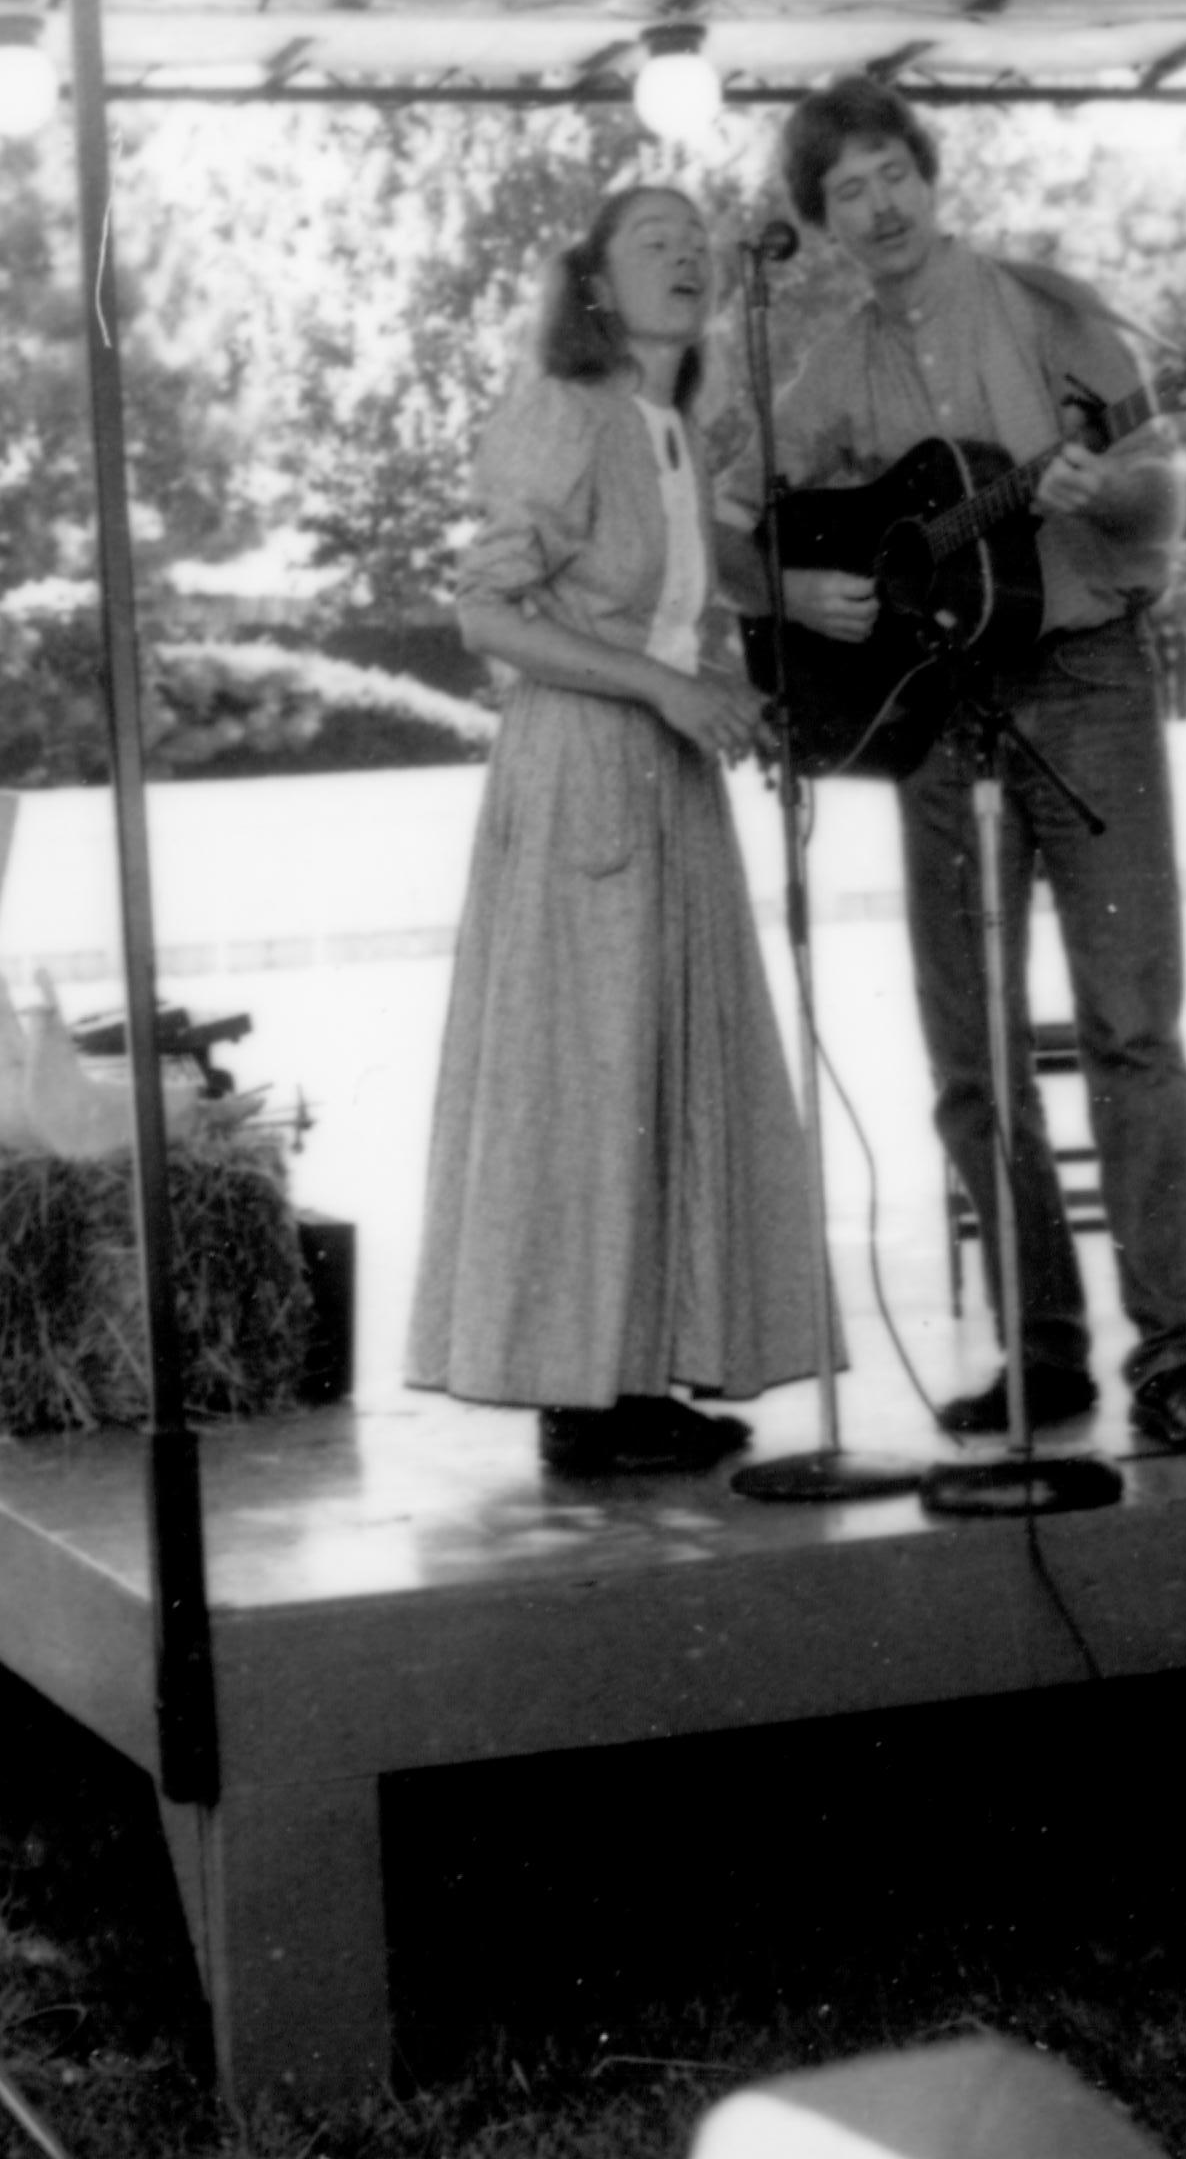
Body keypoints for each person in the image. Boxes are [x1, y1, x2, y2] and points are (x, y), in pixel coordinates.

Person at [717, 78, 1186, 1454]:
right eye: (847, 192)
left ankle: (1177, 1359)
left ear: (930, 175)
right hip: (936, 709)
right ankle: (1045, 1351)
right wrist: (794, 592)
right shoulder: (824, 368)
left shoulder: (1042, 307)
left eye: (893, 173)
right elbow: (730, 521)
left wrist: (1099, 489)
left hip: (1086, 680)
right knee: (972, 1050)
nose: (879, 206)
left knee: (1134, 1028)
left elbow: (1157, 485)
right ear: (819, 223)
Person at [406, 183, 829, 1479]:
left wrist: (724, 689)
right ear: (594, 285)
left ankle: (637, 1369)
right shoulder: (562, 405)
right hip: (587, 761)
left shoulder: (674, 428)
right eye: (656, 242)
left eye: (698, 242)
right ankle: (581, 1394)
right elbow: (488, 615)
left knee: (662, 1067)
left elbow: (669, 609)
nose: (690, 256)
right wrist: (665, 687)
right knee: (595, 1071)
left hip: (665, 766)